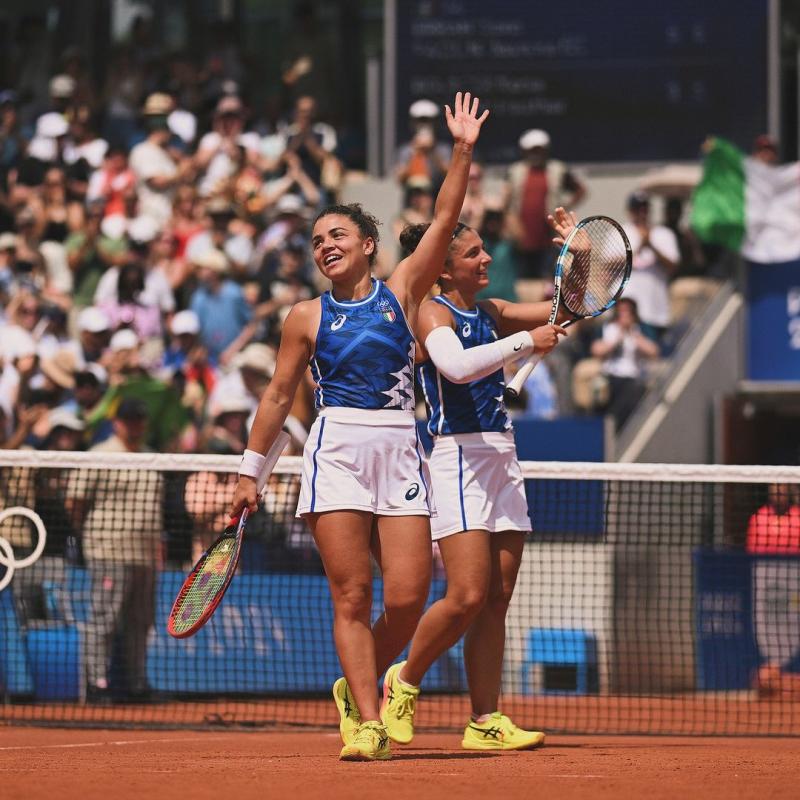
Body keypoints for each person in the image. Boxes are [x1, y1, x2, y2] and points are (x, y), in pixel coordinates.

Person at [229, 92, 489, 762]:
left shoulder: (402, 290)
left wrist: (461, 150)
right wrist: (247, 473)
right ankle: (369, 721)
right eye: (317, 241)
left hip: (402, 449)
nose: (325, 247)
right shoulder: (303, 318)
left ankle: (358, 685)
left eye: (337, 235)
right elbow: (278, 397)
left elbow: (444, 218)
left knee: (408, 597)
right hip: (337, 449)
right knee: (352, 594)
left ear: (368, 244)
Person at [375, 208, 574, 752]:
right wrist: (525, 343)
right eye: (472, 253)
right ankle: (404, 680)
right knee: (465, 594)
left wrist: (576, 255)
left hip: (502, 457)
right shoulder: (430, 315)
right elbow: (457, 368)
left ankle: (485, 720)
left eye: (484, 250)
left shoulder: (492, 309)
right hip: (457, 459)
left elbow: (569, 308)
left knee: (498, 597)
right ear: (442, 267)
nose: (486, 259)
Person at [64, 397, 161, 703]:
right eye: (130, 418)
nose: (136, 424)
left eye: (140, 418)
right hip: (109, 550)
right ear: (116, 421)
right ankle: (97, 683)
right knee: (103, 619)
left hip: (145, 555)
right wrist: (88, 539)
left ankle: (136, 684)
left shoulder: (152, 457)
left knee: (141, 622)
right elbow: (74, 502)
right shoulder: (100, 455)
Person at [503, 129, 586, 279]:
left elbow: (580, 190)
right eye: (532, 150)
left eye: (539, 150)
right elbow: (506, 201)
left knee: (547, 276)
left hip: (548, 236)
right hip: (521, 235)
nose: (536, 154)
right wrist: (510, 222)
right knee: (521, 277)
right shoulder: (515, 171)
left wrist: (563, 208)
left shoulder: (557, 169)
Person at [590, 297, 660, 430]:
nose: (624, 315)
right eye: (621, 311)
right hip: (611, 375)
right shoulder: (607, 328)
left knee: (633, 389)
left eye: (628, 311)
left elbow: (654, 351)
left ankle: (616, 424)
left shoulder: (640, 329)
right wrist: (618, 337)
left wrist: (633, 335)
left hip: (634, 374)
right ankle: (611, 423)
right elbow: (596, 350)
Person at [621, 191, 679, 343]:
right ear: (630, 211)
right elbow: (611, 266)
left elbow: (673, 266)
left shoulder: (664, 234)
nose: (642, 212)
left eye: (645, 208)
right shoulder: (621, 232)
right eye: (637, 208)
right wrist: (640, 246)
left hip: (657, 311)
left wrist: (651, 245)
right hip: (628, 313)